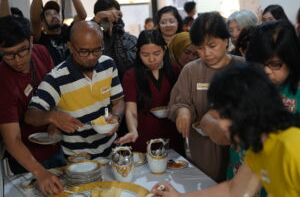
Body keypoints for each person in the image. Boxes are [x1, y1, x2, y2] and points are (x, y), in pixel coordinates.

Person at [152, 63, 300, 197]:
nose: (219, 125)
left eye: (221, 115)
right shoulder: (259, 148)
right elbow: (232, 190)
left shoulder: (293, 147)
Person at [25, 21, 125, 159]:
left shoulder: (108, 64)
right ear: (70, 47)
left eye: (97, 50)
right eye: (84, 51)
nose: (91, 57)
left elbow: (118, 101)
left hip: (112, 151)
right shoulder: (56, 79)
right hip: (79, 160)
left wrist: (116, 118)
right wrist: (51, 117)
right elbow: (30, 115)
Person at [168, 12, 245, 182]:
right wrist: (182, 111)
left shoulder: (243, 67)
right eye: (200, 48)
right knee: (206, 184)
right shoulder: (191, 70)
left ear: (225, 41)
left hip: (238, 147)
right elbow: (179, 101)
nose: (206, 53)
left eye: (212, 45)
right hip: (202, 148)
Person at [0, 16, 65, 195]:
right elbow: (11, 139)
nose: (18, 59)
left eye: (22, 50)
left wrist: (53, 122)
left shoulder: (42, 52)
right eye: (8, 54)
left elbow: (56, 94)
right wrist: (39, 173)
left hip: (56, 147)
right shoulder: (3, 80)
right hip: (27, 161)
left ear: (30, 39)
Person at [115, 29, 184, 155]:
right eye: (145, 55)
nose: (151, 59)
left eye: (157, 53)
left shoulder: (175, 70)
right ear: (138, 53)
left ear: (164, 49)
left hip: (172, 137)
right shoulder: (131, 75)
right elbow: (131, 110)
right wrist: (132, 130)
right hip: (143, 139)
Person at [30, 0, 87, 65]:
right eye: (48, 14)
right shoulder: (41, 39)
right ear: (42, 23)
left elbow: (82, 16)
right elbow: (35, 20)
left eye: (56, 13)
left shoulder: (69, 33)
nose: (54, 16)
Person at [93, 0, 137, 81]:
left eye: (112, 17)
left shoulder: (130, 40)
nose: (110, 22)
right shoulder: (92, 43)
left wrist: (116, 36)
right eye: (105, 19)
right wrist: (94, 23)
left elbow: (128, 69)